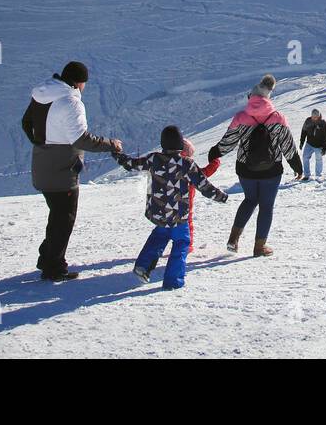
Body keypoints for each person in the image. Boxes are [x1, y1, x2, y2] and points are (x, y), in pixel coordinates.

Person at [21, 61, 122, 282]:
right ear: (78, 82)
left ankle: (47, 258)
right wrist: (111, 144)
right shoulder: (71, 102)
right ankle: (54, 268)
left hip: (41, 163)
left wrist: (42, 143)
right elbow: (81, 139)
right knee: (64, 219)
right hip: (62, 169)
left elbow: (26, 122)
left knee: (57, 215)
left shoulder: (41, 94)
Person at [113, 125, 229, 288]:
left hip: (158, 212)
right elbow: (203, 185)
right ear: (180, 144)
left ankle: (143, 266)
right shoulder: (186, 163)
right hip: (179, 215)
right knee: (181, 243)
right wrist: (220, 196)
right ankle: (173, 281)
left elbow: (131, 164)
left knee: (159, 235)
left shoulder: (154, 159)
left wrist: (116, 153)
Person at [208, 75, 303, 258]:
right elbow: (287, 146)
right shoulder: (277, 117)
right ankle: (259, 247)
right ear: (268, 98)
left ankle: (233, 240)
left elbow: (228, 142)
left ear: (250, 97)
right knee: (266, 206)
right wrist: (297, 166)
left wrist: (215, 153)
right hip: (271, 170)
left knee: (250, 200)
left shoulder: (241, 117)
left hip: (246, 169)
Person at [181, 138, 220, 253]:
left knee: (167, 226)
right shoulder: (189, 166)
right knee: (187, 224)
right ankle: (187, 245)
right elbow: (205, 172)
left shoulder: (169, 163)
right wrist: (215, 161)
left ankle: (160, 245)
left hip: (169, 202)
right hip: (186, 203)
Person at [298, 109, 326, 181]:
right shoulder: (308, 121)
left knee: (318, 159)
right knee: (305, 157)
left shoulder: (323, 123)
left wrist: (324, 148)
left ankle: (318, 175)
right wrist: (301, 142)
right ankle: (307, 175)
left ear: (318, 116)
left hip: (319, 145)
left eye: (316, 117)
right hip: (309, 143)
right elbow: (304, 132)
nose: (314, 118)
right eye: (313, 117)